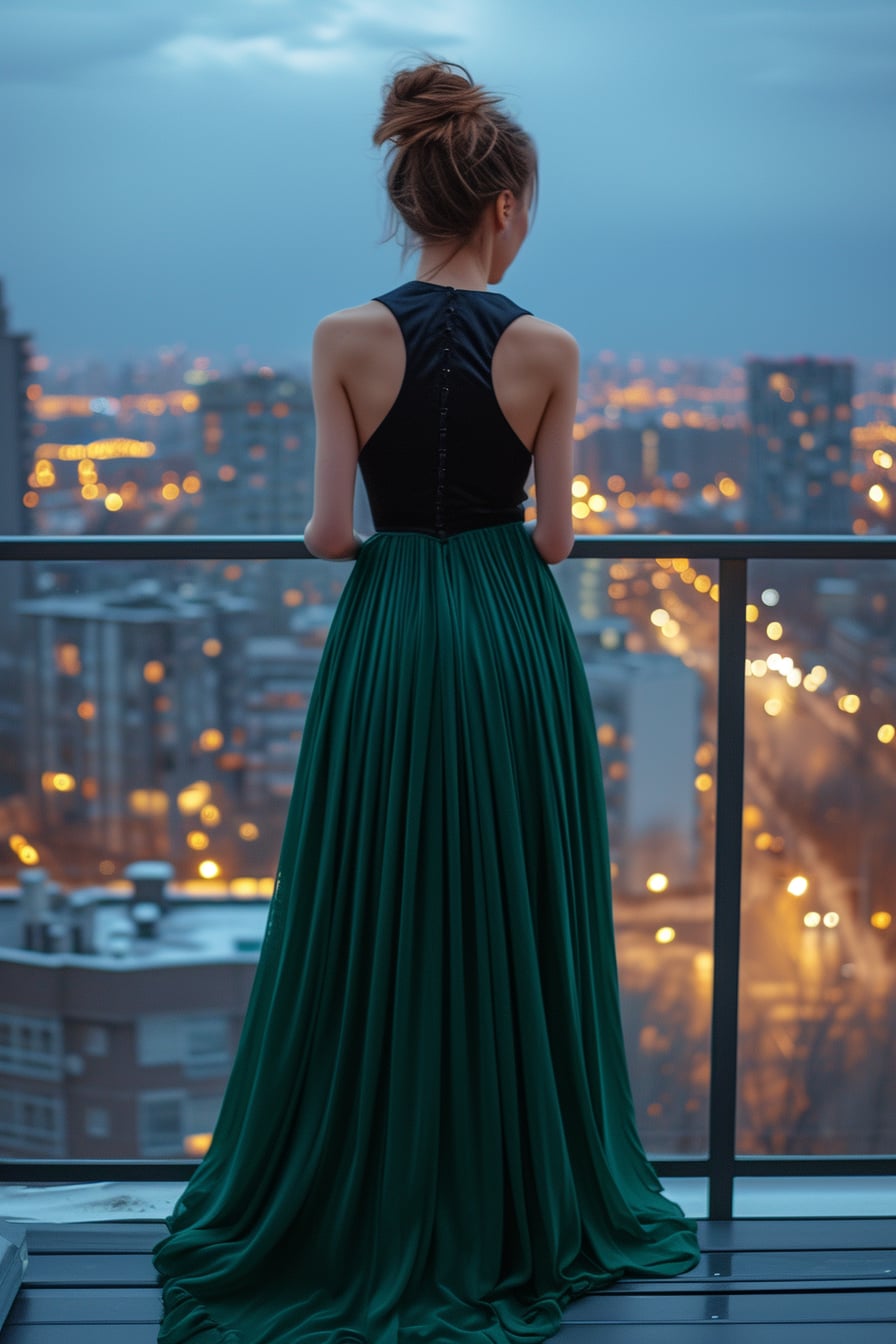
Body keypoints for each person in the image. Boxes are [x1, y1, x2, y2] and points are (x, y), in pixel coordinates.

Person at [152, 57, 701, 1344]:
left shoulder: (342, 337)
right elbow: (559, 543)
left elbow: (326, 534)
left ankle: (362, 1185)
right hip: (508, 638)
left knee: (377, 892)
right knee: (509, 896)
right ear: (503, 205)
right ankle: (513, 1190)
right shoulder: (550, 348)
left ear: (412, 199)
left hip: (393, 635)